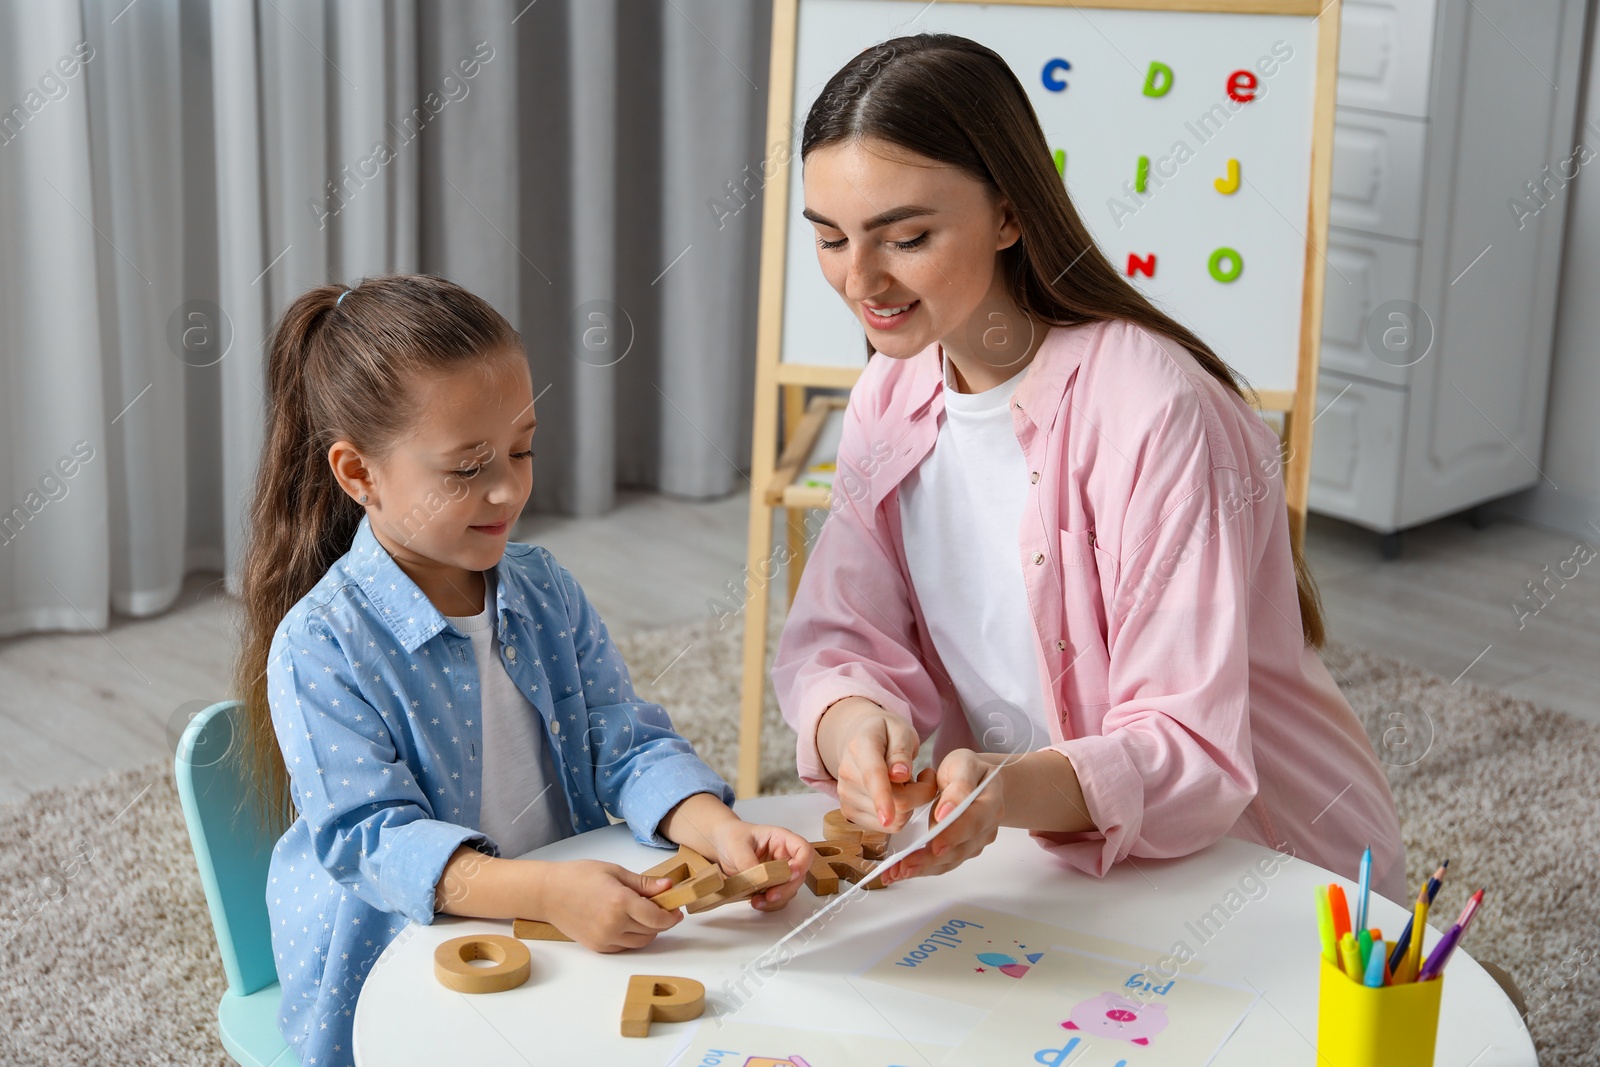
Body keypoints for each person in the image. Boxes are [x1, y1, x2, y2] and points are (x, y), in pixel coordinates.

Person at [772, 34, 1405, 903]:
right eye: (830, 238)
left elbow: (1191, 747)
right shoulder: (892, 393)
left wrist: (1004, 791)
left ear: (1008, 213)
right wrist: (856, 727)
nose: (861, 280)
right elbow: (844, 633)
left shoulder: (1151, 406)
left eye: (906, 237)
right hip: (1051, 853)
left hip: (1259, 865)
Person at [232, 274, 813, 1067]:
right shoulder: (320, 645)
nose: (507, 488)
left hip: (558, 924)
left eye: (522, 448)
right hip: (405, 961)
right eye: (466, 468)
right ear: (359, 474)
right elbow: (373, 841)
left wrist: (720, 832)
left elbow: (625, 740)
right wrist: (545, 894)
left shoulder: (542, 587)